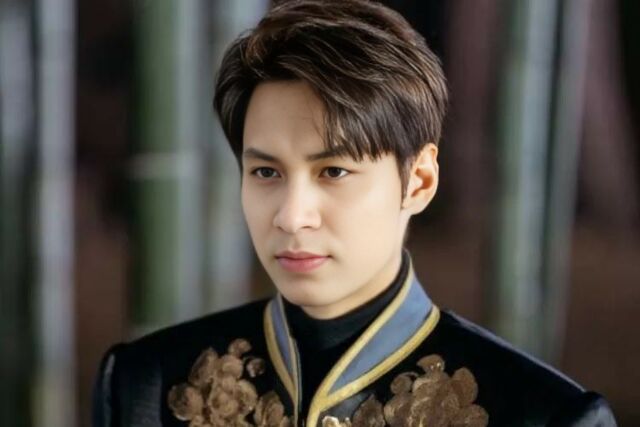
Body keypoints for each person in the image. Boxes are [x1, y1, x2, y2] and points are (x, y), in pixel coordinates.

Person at [92, 1, 617, 426]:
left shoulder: (539, 414)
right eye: (267, 172)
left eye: (334, 172)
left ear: (419, 180)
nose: (292, 217)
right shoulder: (149, 387)